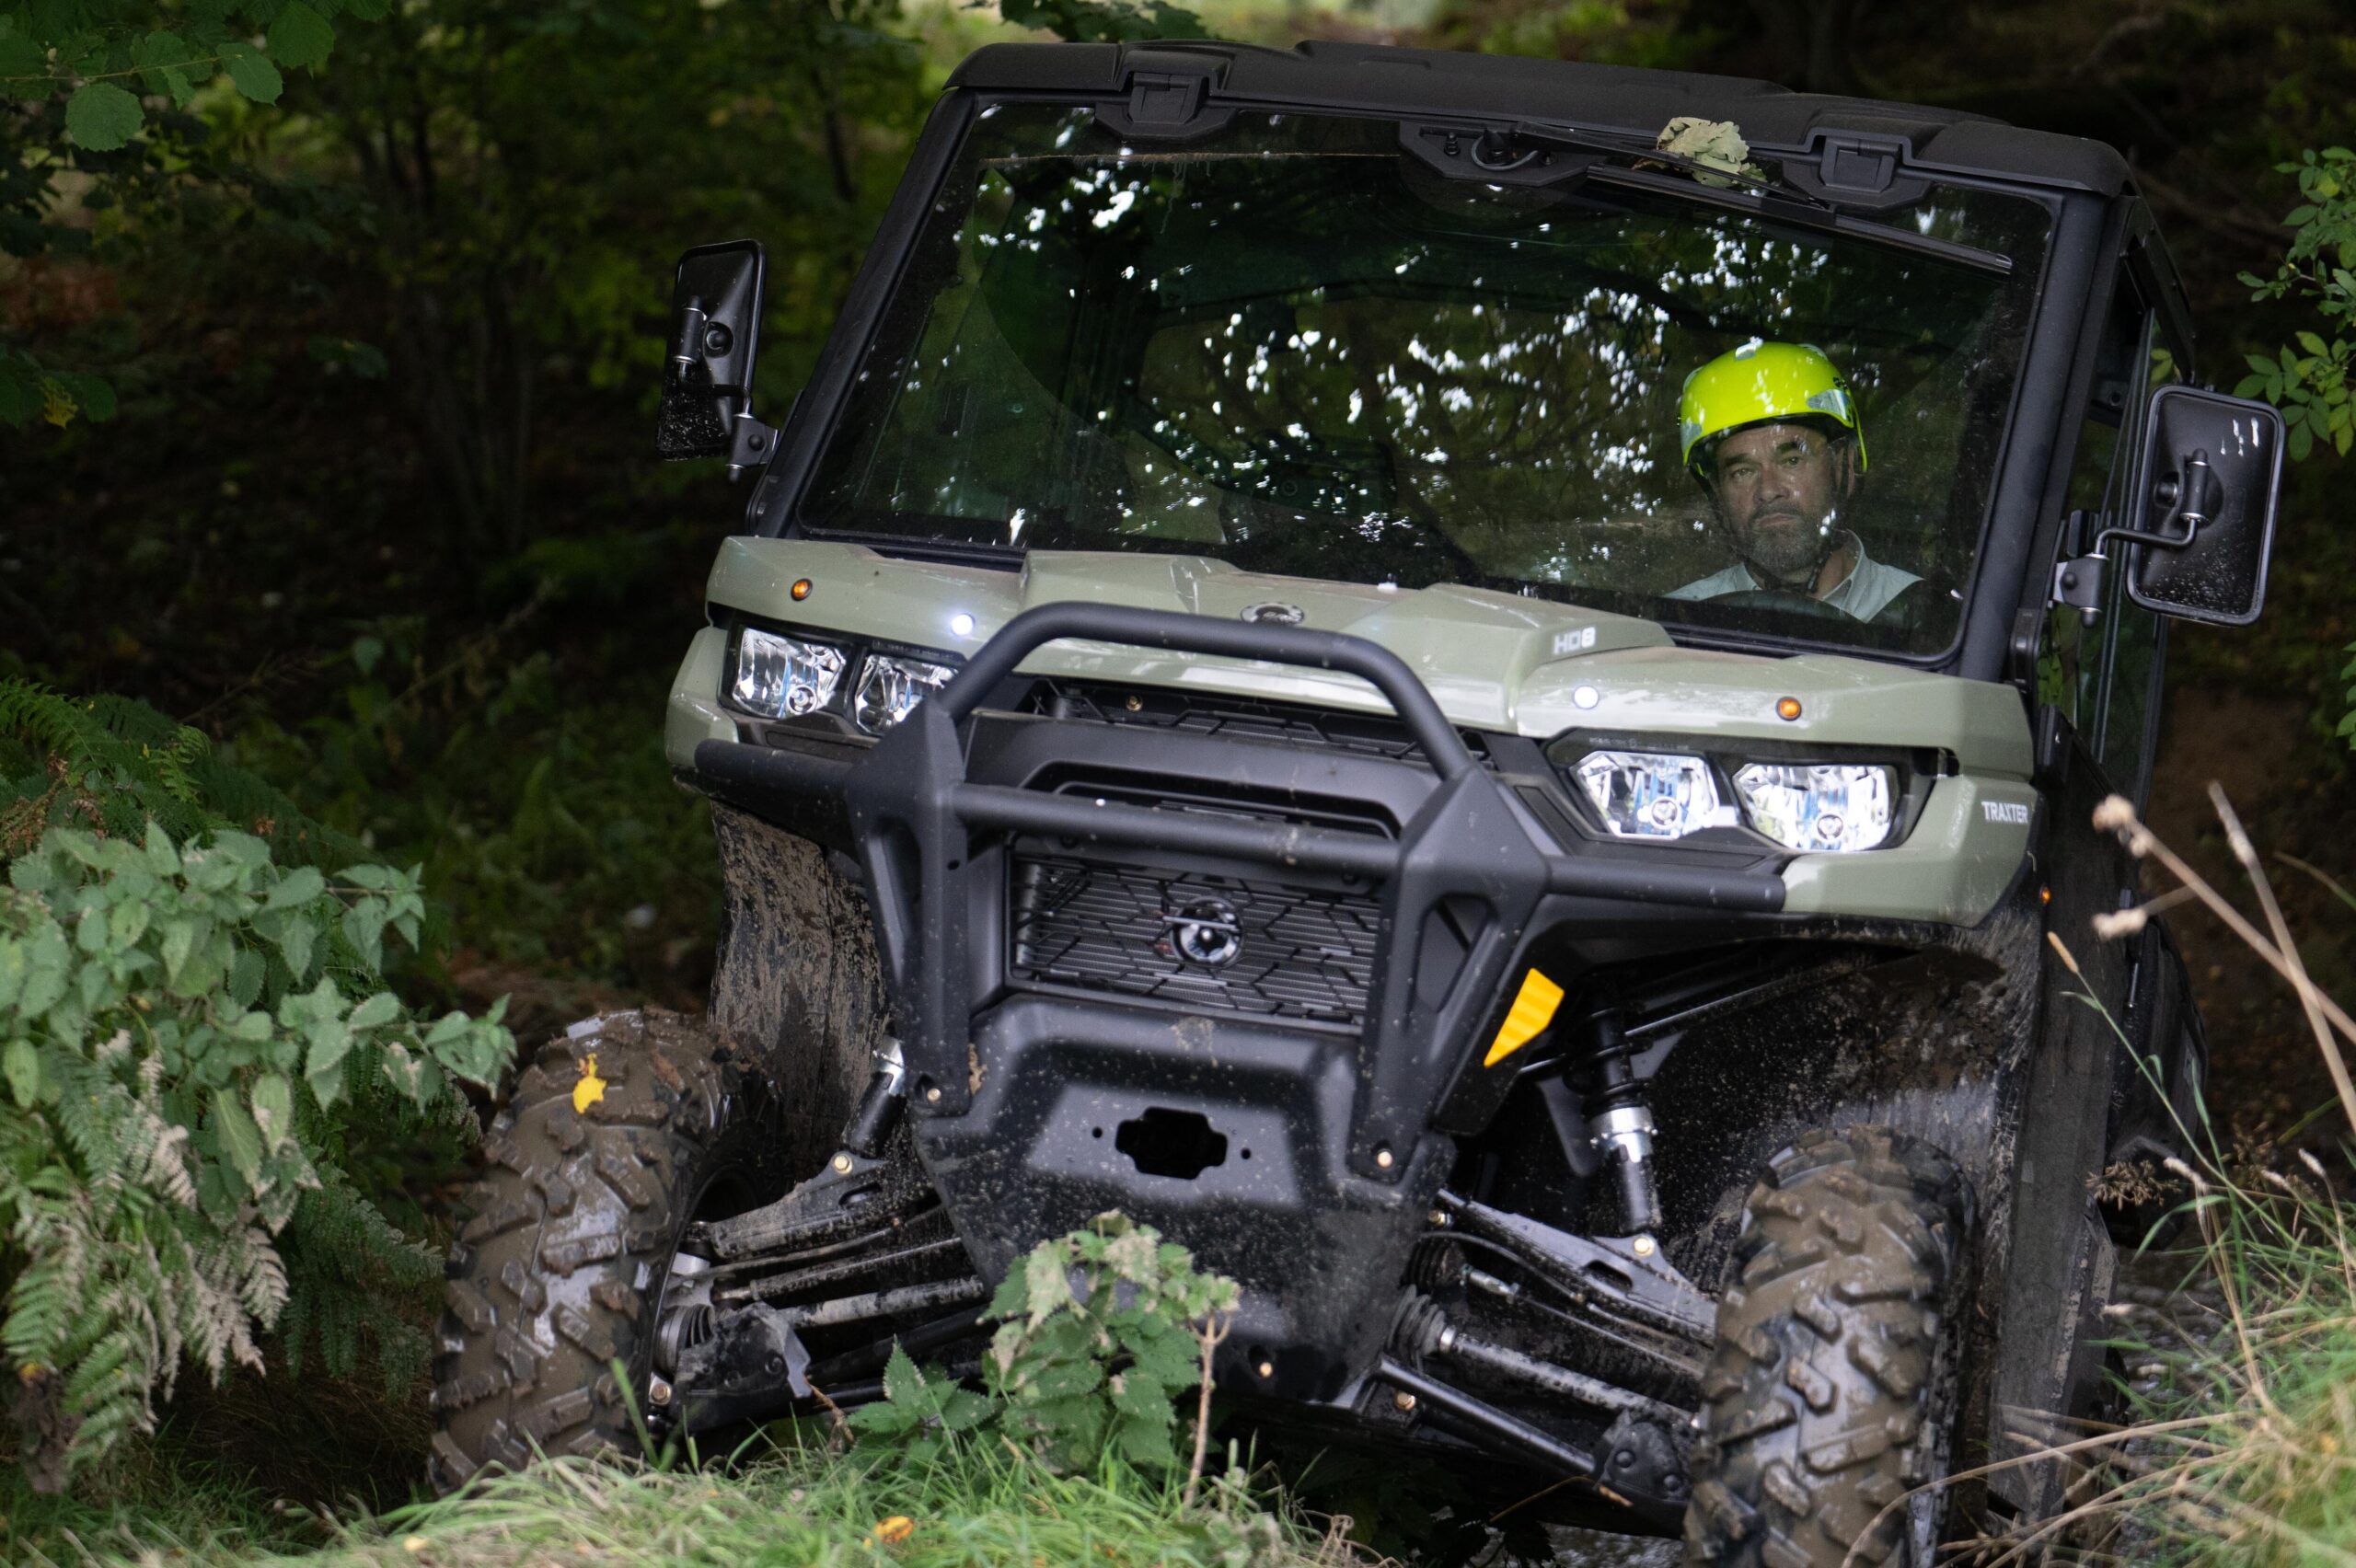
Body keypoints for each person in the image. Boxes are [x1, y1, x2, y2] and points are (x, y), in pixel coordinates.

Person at [1666, 340, 1920, 620]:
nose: (1769, 490)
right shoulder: (1680, 621)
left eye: (1792, 461)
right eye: (1742, 472)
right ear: (1718, 495)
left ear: (1844, 467)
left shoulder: (1924, 618)